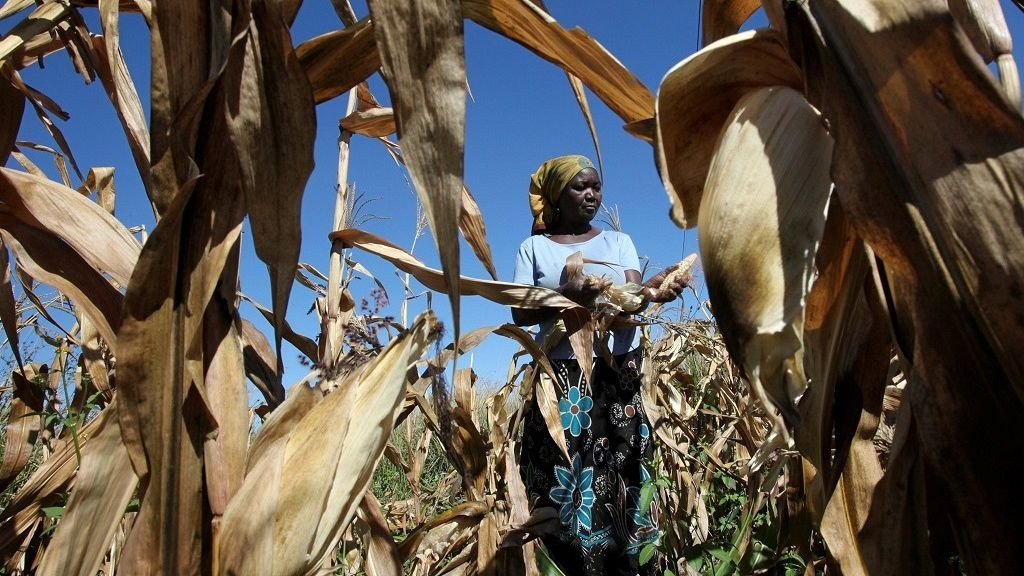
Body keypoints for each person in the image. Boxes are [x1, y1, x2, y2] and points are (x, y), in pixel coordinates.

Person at [511, 155, 684, 576]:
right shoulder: (534, 247)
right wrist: (568, 293)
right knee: (567, 477)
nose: (592, 195)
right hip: (562, 380)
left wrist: (656, 290)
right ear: (557, 195)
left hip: (615, 373)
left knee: (621, 473)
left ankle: (628, 564)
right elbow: (519, 311)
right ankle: (570, 563)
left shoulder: (617, 242)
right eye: (580, 187)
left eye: (596, 187)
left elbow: (629, 299)